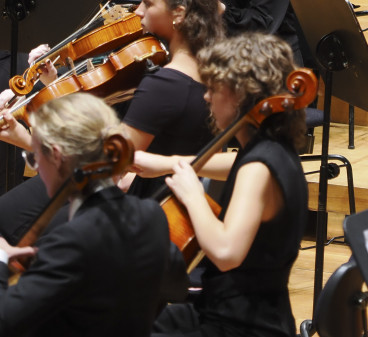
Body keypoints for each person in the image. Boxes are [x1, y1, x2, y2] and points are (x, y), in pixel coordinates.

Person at [0, 0, 224, 242]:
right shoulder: (215, 64)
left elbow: (106, 170)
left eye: (147, 3)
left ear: (179, 13)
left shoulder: (164, 85)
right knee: (4, 215)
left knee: (8, 223)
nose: (138, 10)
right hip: (171, 195)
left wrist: (27, 140)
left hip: (141, 210)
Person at [130, 32, 308, 337]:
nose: (206, 97)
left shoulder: (257, 168)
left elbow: (226, 252)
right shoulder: (275, 151)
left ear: (240, 95)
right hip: (251, 313)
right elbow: (233, 163)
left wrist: (193, 194)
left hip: (238, 326)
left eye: (213, 88)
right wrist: (168, 163)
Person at [0, 92, 176, 337]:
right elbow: (176, 285)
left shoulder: (69, 241)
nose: (36, 166)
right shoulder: (152, 215)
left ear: (56, 156)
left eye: (35, 157)